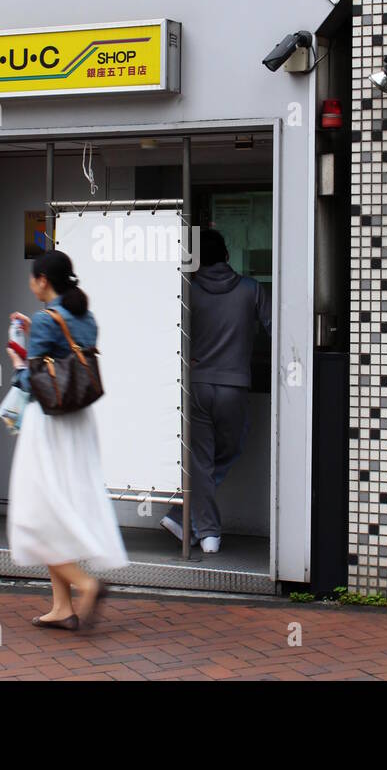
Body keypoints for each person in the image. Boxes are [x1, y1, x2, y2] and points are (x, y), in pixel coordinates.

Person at [6, 250, 126, 631]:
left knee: (33, 516)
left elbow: (36, 379)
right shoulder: (84, 316)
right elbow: (65, 360)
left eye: (32, 278)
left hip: (49, 424)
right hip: (79, 422)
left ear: (43, 280)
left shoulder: (46, 319)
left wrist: (17, 365)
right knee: (57, 508)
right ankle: (62, 608)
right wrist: (34, 336)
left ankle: (86, 585)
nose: (31, 283)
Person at [161, 229, 272, 554]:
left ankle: (189, 522)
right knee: (230, 449)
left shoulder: (188, 292)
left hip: (195, 385)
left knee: (201, 461)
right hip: (235, 385)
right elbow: (275, 329)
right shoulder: (252, 289)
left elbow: (171, 334)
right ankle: (201, 528)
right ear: (226, 255)